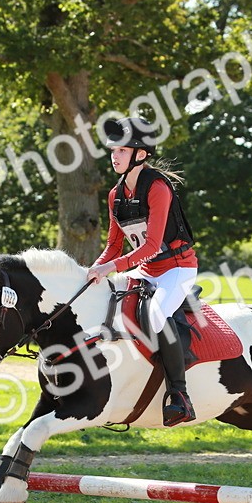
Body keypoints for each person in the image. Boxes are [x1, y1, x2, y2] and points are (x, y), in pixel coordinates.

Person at [86, 117, 199, 427]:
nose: (115, 156)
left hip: (177, 269)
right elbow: (113, 245)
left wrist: (112, 267)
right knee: (106, 304)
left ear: (141, 153)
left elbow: (150, 245)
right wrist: (94, 270)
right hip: (146, 271)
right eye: (113, 150)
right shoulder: (115, 195)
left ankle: (179, 394)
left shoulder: (158, 187)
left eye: (122, 150)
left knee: (156, 316)